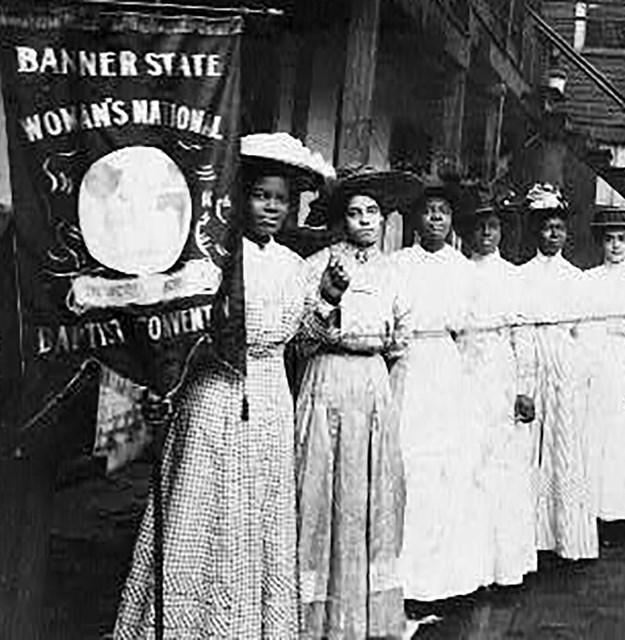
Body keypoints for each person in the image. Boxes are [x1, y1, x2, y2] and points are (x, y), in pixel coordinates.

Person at [112, 132, 335, 639]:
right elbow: (180, 326)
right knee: (200, 505)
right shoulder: (213, 257)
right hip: (214, 395)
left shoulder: (295, 266)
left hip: (272, 398)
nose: (271, 208)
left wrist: (326, 300)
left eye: (280, 199)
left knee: (260, 513)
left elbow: (305, 340)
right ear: (242, 197)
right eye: (261, 196)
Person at [295, 165, 421, 640]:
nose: (365, 221)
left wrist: (389, 404)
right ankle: (317, 617)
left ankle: (365, 617)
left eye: (372, 212)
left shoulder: (394, 274)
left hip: (372, 384)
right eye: (354, 212)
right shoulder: (317, 267)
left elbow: (401, 343)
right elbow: (302, 338)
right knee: (321, 489)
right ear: (340, 219)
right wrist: (329, 303)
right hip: (327, 377)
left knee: (366, 494)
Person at [391, 175, 490, 612]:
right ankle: (405, 580)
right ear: (415, 218)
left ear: (452, 221)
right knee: (409, 466)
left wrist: (469, 387)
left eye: (443, 212)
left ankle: (447, 580)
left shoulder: (464, 269)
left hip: (447, 370)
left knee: (448, 469)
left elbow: (472, 331)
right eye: (428, 210)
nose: (435, 217)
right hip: (408, 368)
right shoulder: (397, 265)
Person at [459, 190, 537, 587]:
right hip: (464, 372)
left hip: (501, 376)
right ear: (468, 231)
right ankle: (471, 566)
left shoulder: (513, 275)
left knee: (501, 464)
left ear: (502, 231)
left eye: (492, 226)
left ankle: (503, 565)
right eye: (479, 226)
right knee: (467, 465)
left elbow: (523, 333)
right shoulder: (459, 270)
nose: (486, 232)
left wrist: (525, 387)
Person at [517, 183, 598, 562]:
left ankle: (565, 535)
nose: (553, 234)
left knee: (565, 444)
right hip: (533, 357)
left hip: (565, 361)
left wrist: (576, 370)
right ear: (536, 231)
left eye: (559, 228)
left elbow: (585, 331)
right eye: (547, 227)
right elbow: (518, 326)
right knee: (530, 446)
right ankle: (531, 538)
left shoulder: (576, 278)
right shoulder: (521, 276)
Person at [583, 206, 625, 528]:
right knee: (596, 436)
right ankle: (597, 512)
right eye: (609, 239)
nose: (616, 246)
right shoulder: (588, 281)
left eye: (622, 239)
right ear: (600, 243)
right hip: (596, 361)